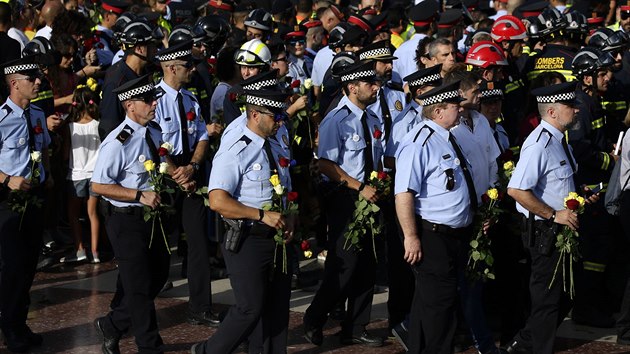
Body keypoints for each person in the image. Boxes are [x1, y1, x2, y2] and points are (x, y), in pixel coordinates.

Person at [191, 89, 295, 354]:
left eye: (282, 114)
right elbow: (217, 200)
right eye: (275, 115)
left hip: (278, 235)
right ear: (255, 114)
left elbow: (285, 187)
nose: (281, 121)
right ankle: (208, 351)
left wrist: (290, 217)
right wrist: (260, 215)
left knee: (277, 304)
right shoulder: (236, 149)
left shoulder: (275, 144)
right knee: (250, 306)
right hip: (247, 237)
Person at [505, 81, 597, 354]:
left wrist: (579, 194)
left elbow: (557, 184)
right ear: (553, 112)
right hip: (545, 232)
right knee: (547, 300)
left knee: (567, 294)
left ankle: (524, 344)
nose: (577, 111)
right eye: (570, 106)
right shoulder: (539, 144)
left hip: (564, 231)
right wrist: (553, 213)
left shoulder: (560, 141)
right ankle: (534, 348)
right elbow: (516, 189)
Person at [303, 60, 384, 348]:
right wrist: (359, 186)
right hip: (346, 197)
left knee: (367, 264)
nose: (376, 87)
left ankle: (356, 325)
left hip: (371, 195)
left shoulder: (372, 118)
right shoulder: (336, 120)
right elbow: (325, 164)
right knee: (345, 263)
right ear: (352, 88)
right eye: (369, 84)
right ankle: (314, 317)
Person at [394, 81, 476, 354]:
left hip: (453, 234)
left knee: (427, 305)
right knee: (439, 308)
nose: (460, 110)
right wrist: (411, 236)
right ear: (439, 111)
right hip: (432, 236)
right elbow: (404, 193)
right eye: (455, 106)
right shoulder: (419, 142)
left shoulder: (447, 136)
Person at [92, 75, 171, 354]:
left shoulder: (154, 131)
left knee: (159, 272)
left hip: (151, 217)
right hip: (125, 219)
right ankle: (149, 345)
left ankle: (112, 324)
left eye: (154, 98)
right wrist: (139, 195)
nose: (154, 104)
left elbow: (160, 162)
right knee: (138, 286)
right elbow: (99, 185)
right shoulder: (118, 141)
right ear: (129, 106)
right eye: (147, 100)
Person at [153, 40, 219, 327]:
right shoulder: (154, 99)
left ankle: (200, 306)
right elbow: (153, 143)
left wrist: (192, 167)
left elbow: (202, 135)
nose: (193, 69)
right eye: (186, 66)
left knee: (198, 243)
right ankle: (134, 305)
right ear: (170, 68)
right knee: (155, 245)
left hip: (189, 172)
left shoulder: (190, 98)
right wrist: (174, 172)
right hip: (163, 175)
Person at [0, 55, 51, 353]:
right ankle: (10, 326)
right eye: (32, 79)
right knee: (13, 266)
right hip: (9, 199)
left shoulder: (37, 114)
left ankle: (19, 321)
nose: (38, 82)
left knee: (30, 264)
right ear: (15, 83)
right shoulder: (2, 118)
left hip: (36, 196)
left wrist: (48, 175)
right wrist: (8, 180)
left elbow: (43, 146)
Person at [99, 19, 162, 138]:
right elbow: (109, 127)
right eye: (153, 45)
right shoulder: (116, 80)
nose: (156, 50)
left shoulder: (146, 71)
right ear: (139, 49)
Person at [61, 86, 101, 263]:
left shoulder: (70, 126)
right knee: (93, 213)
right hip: (95, 174)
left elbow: (65, 154)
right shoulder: (98, 124)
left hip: (76, 174)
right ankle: (96, 252)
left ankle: (80, 250)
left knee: (74, 214)